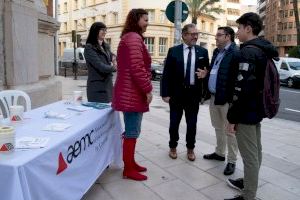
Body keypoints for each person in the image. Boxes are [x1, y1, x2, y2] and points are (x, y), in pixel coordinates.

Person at [225, 12, 278, 200]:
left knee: (249, 157)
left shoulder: (248, 52)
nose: (237, 32)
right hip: (257, 110)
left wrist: (232, 118)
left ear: (248, 28)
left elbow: (241, 89)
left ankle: (248, 195)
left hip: (246, 112)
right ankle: (249, 182)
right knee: (256, 152)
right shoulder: (263, 49)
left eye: (239, 28)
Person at [112, 9, 153, 181]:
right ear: (136, 20)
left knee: (132, 131)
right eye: (145, 19)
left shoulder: (129, 38)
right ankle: (128, 169)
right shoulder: (134, 39)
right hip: (132, 94)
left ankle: (131, 162)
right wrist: (148, 89)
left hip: (129, 92)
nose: (147, 23)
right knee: (131, 132)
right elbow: (138, 69)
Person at [161, 23, 209, 161]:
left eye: (196, 34)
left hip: (193, 94)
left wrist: (206, 74)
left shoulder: (203, 52)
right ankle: (173, 146)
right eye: (193, 34)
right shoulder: (173, 51)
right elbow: (167, 74)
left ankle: (190, 149)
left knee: (192, 124)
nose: (196, 36)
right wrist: (165, 93)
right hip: (177, 94)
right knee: (174, 123)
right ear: (184, 35)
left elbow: (207, 71)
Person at [203, 27, 239, 176]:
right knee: (218, 127)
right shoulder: (217, 52)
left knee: (230, 131)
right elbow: (215, 71)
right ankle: (219, 153)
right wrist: (206, 74)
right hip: (214, 97)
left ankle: (232, 161)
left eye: (219, 35)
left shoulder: (235, 53)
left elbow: (236, 79)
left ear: (228, 37)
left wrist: (232, 102)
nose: (216, 38)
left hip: (226, 99)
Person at [84, 22, 116, 103]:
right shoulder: (89, 48)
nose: (105, 32)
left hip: (108, 86)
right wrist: (114, 68)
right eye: (102, 30)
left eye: (105, 30)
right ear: (95, 31)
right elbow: (100, 66)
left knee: (108, 113)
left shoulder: (105, 46)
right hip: (97, 87)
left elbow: (113, 56)